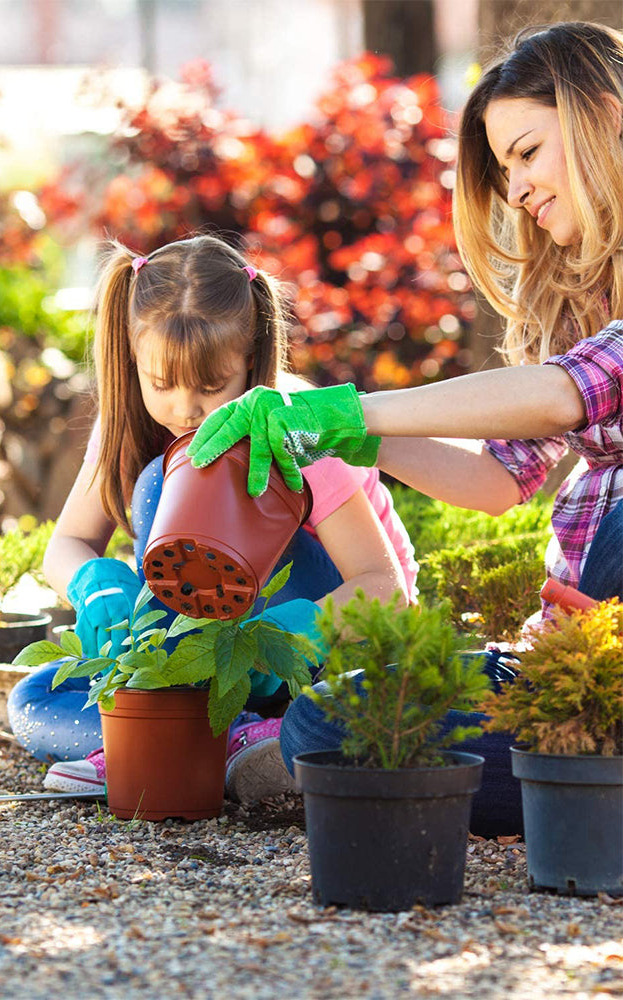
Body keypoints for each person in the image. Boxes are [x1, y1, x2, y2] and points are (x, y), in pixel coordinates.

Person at [187, 21, 623, 836]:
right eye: (505, 170)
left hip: (611, 640)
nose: (519, 187)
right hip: (567, 663)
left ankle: (589, 764)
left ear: (603, 114)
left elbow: (569, 394)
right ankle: (585, 769)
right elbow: (495, 483)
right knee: (330, 722)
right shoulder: (581, 302)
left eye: (527, 152)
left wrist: (356, 407)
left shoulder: (578, 366)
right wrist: (352, 437)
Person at [6, 234, 419, 803]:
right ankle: (232, 739)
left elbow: (386, 587)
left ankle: (190, 739)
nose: (184, 409)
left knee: (165, 481)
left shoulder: (294, 426)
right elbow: (70, 540)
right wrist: (94, 583)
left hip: (328, 648)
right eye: (161, 383)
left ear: (250, 364)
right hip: (203, 668)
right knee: (32, 699)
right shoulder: (126, 425)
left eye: (210, 386)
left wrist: (299, 632)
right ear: (133, 360)